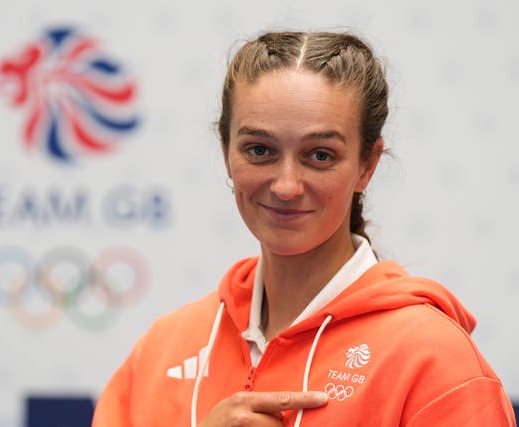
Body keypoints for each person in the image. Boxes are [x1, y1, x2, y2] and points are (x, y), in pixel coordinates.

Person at [91, 31, 516, 426]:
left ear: (367, 165)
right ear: (226, 154)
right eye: (259, 150)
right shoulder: (164, 347)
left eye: (320, 156)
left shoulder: (434, 361)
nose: (287, 186)